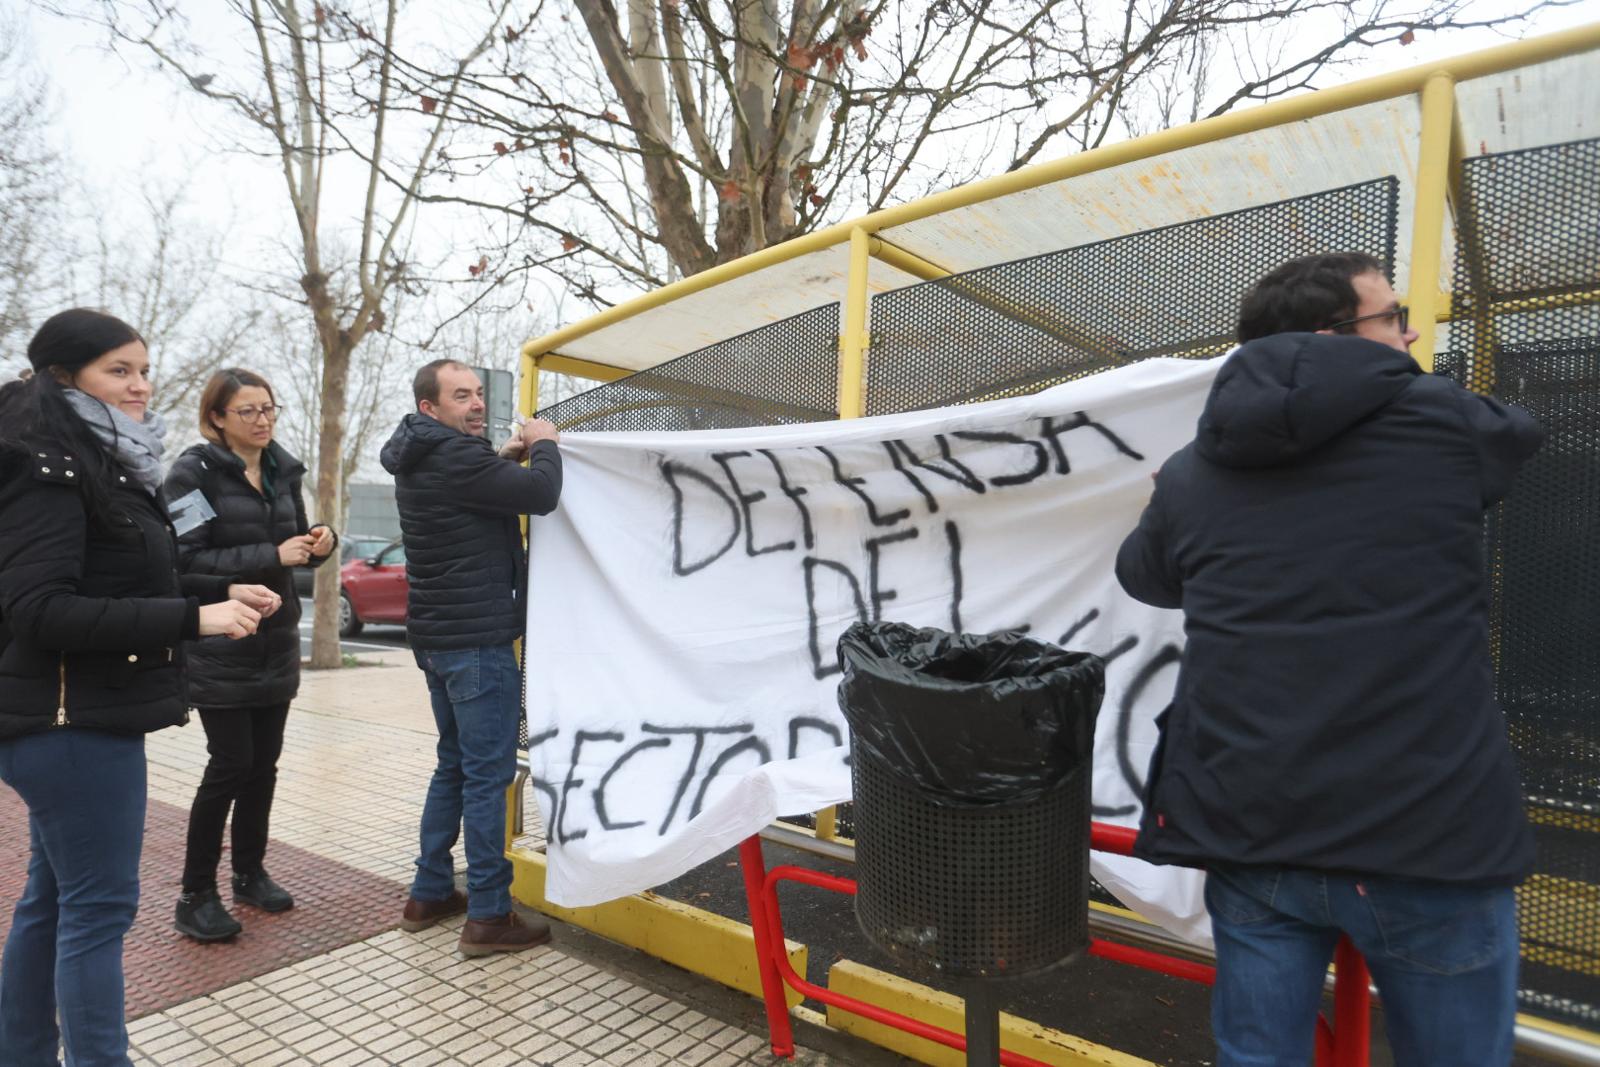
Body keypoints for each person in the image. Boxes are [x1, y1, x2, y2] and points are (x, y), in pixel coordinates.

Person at [1115, 252, 1543, 1066]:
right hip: (1432, 837)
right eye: (1393, 317)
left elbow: (1147, 576)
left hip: (1254, 831)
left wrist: (1165, 504)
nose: (1411, 332)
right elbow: (1515, 435)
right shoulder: (1446, 424)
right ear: (1332, 338)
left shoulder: (1193, 471)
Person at [0, 309, 275, 1066]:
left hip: (75, 719)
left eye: (144, 368)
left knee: (53, 903)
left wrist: (225, 594)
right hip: (71, 724)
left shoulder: (92, 457)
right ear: (65, 376)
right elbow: (41, 609)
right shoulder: (51, 464)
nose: (141, 384)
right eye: (119, 370)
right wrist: (198, 616)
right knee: (97, 910)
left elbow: (125, 572)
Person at [380, 359, 562, 956]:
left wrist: (505, 455)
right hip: (477, 643)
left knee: (454, 765)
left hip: (437, 641)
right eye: (462, 396)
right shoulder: (458, 458)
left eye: (479, 392)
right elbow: (542, 494)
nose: (477, 404)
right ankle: (488, 914)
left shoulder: (424, 454)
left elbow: (475, 489)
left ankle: (429, 892)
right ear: (430, 408)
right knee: (487, 777)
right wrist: (544, 445)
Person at [161, 368, 337, 942]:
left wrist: (318, 544)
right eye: (248, 411)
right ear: (216, 417)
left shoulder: (284, 470)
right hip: (221, 643)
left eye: (269, 409)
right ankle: (195, 894)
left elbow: (295, 551)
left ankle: (249, 872)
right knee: (230, 766)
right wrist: (271, 554)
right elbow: (180, 564)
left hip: (276, 641)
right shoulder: (193, 474)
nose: (263, 420)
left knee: (263, 768)